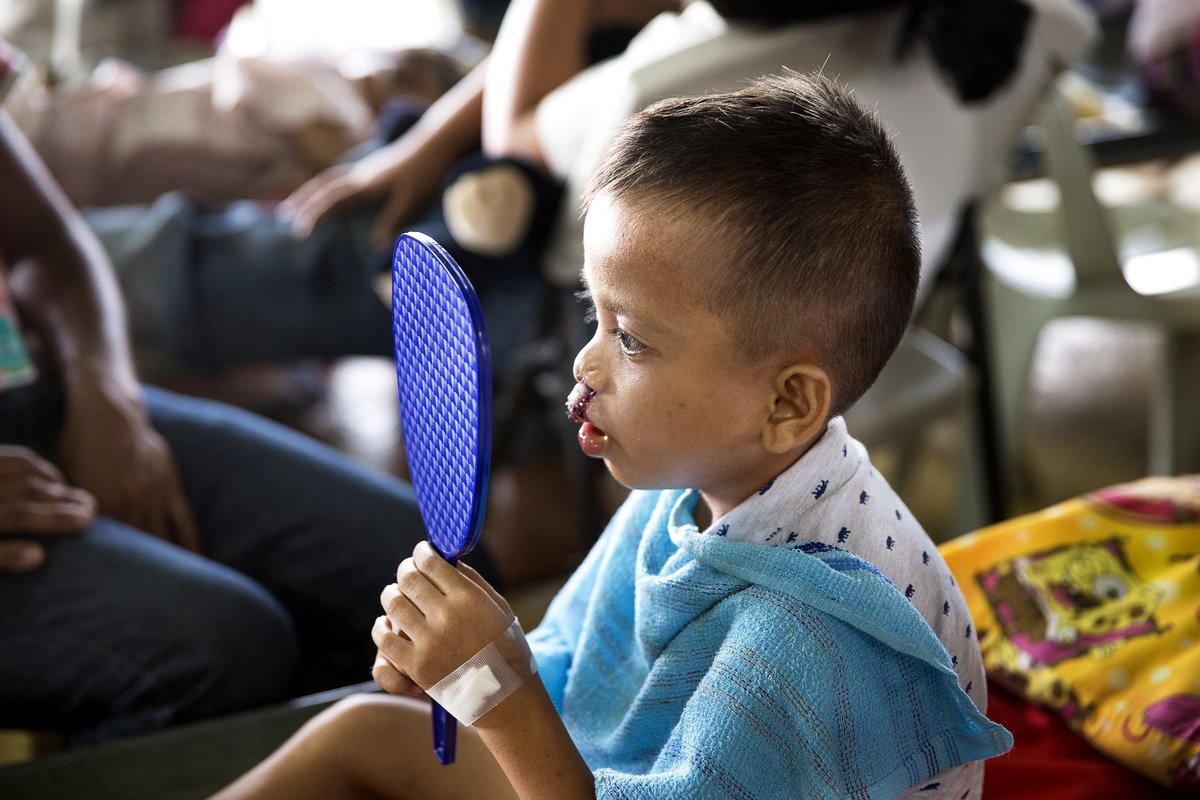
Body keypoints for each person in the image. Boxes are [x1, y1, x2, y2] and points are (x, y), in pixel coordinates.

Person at [212, 71, 1013, 800]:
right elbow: (564, 675)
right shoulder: (697, 485)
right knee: (357, 734)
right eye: (595, 316)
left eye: (631, 339)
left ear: (788, 404)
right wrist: (461, 674)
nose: (585, 362)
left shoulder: (808, 638)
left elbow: (536, 719)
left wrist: (496, 691)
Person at [0, 107, 501, 746]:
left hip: (35, 400)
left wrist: (106, 402)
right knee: (223, 650)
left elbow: (47, 239)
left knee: (449, 582)